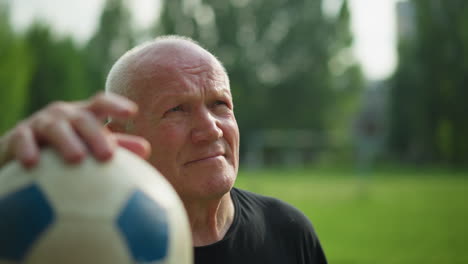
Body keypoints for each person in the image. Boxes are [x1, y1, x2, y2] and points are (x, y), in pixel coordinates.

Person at [0, 35, 327, 264]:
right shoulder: (74, 245)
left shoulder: (289, 232)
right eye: (177, 109)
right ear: (117, 138)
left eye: (219, 105)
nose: (211, 128)